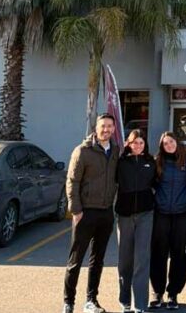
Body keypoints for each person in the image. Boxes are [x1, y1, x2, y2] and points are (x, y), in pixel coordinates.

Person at [63, 112, 120, 313]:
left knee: (98, 259)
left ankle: (91, 300)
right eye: (103, 126)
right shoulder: (82, 151)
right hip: (85, 212)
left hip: (106, 212)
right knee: (76, 260)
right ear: (96, 128)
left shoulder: (115, 150)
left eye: (110, 126)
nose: (106, 130)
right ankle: (68, 301)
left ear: (114, 129)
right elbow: (72, 181)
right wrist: (76, 210)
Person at [150, 132, 186, 310]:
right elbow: (150, 183)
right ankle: (157, 292)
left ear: (177, 141)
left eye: (171, 142)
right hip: (161, 214)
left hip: (182, 214)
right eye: (165, 144)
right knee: (158, 254)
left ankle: (173, 293)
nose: (169, 145)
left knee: (180, 255)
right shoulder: (157, 161)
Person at [115, 129, 156, 313]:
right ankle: (125, 298)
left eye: (141, 142)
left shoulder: (151, 162)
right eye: (134, 142)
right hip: (124, 215)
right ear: (128, 144)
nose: (138, 146)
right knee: (125, 259)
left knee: (142, 258)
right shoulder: (120, 162)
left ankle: (139, 303)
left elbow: (157, 183)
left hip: (145, 214)